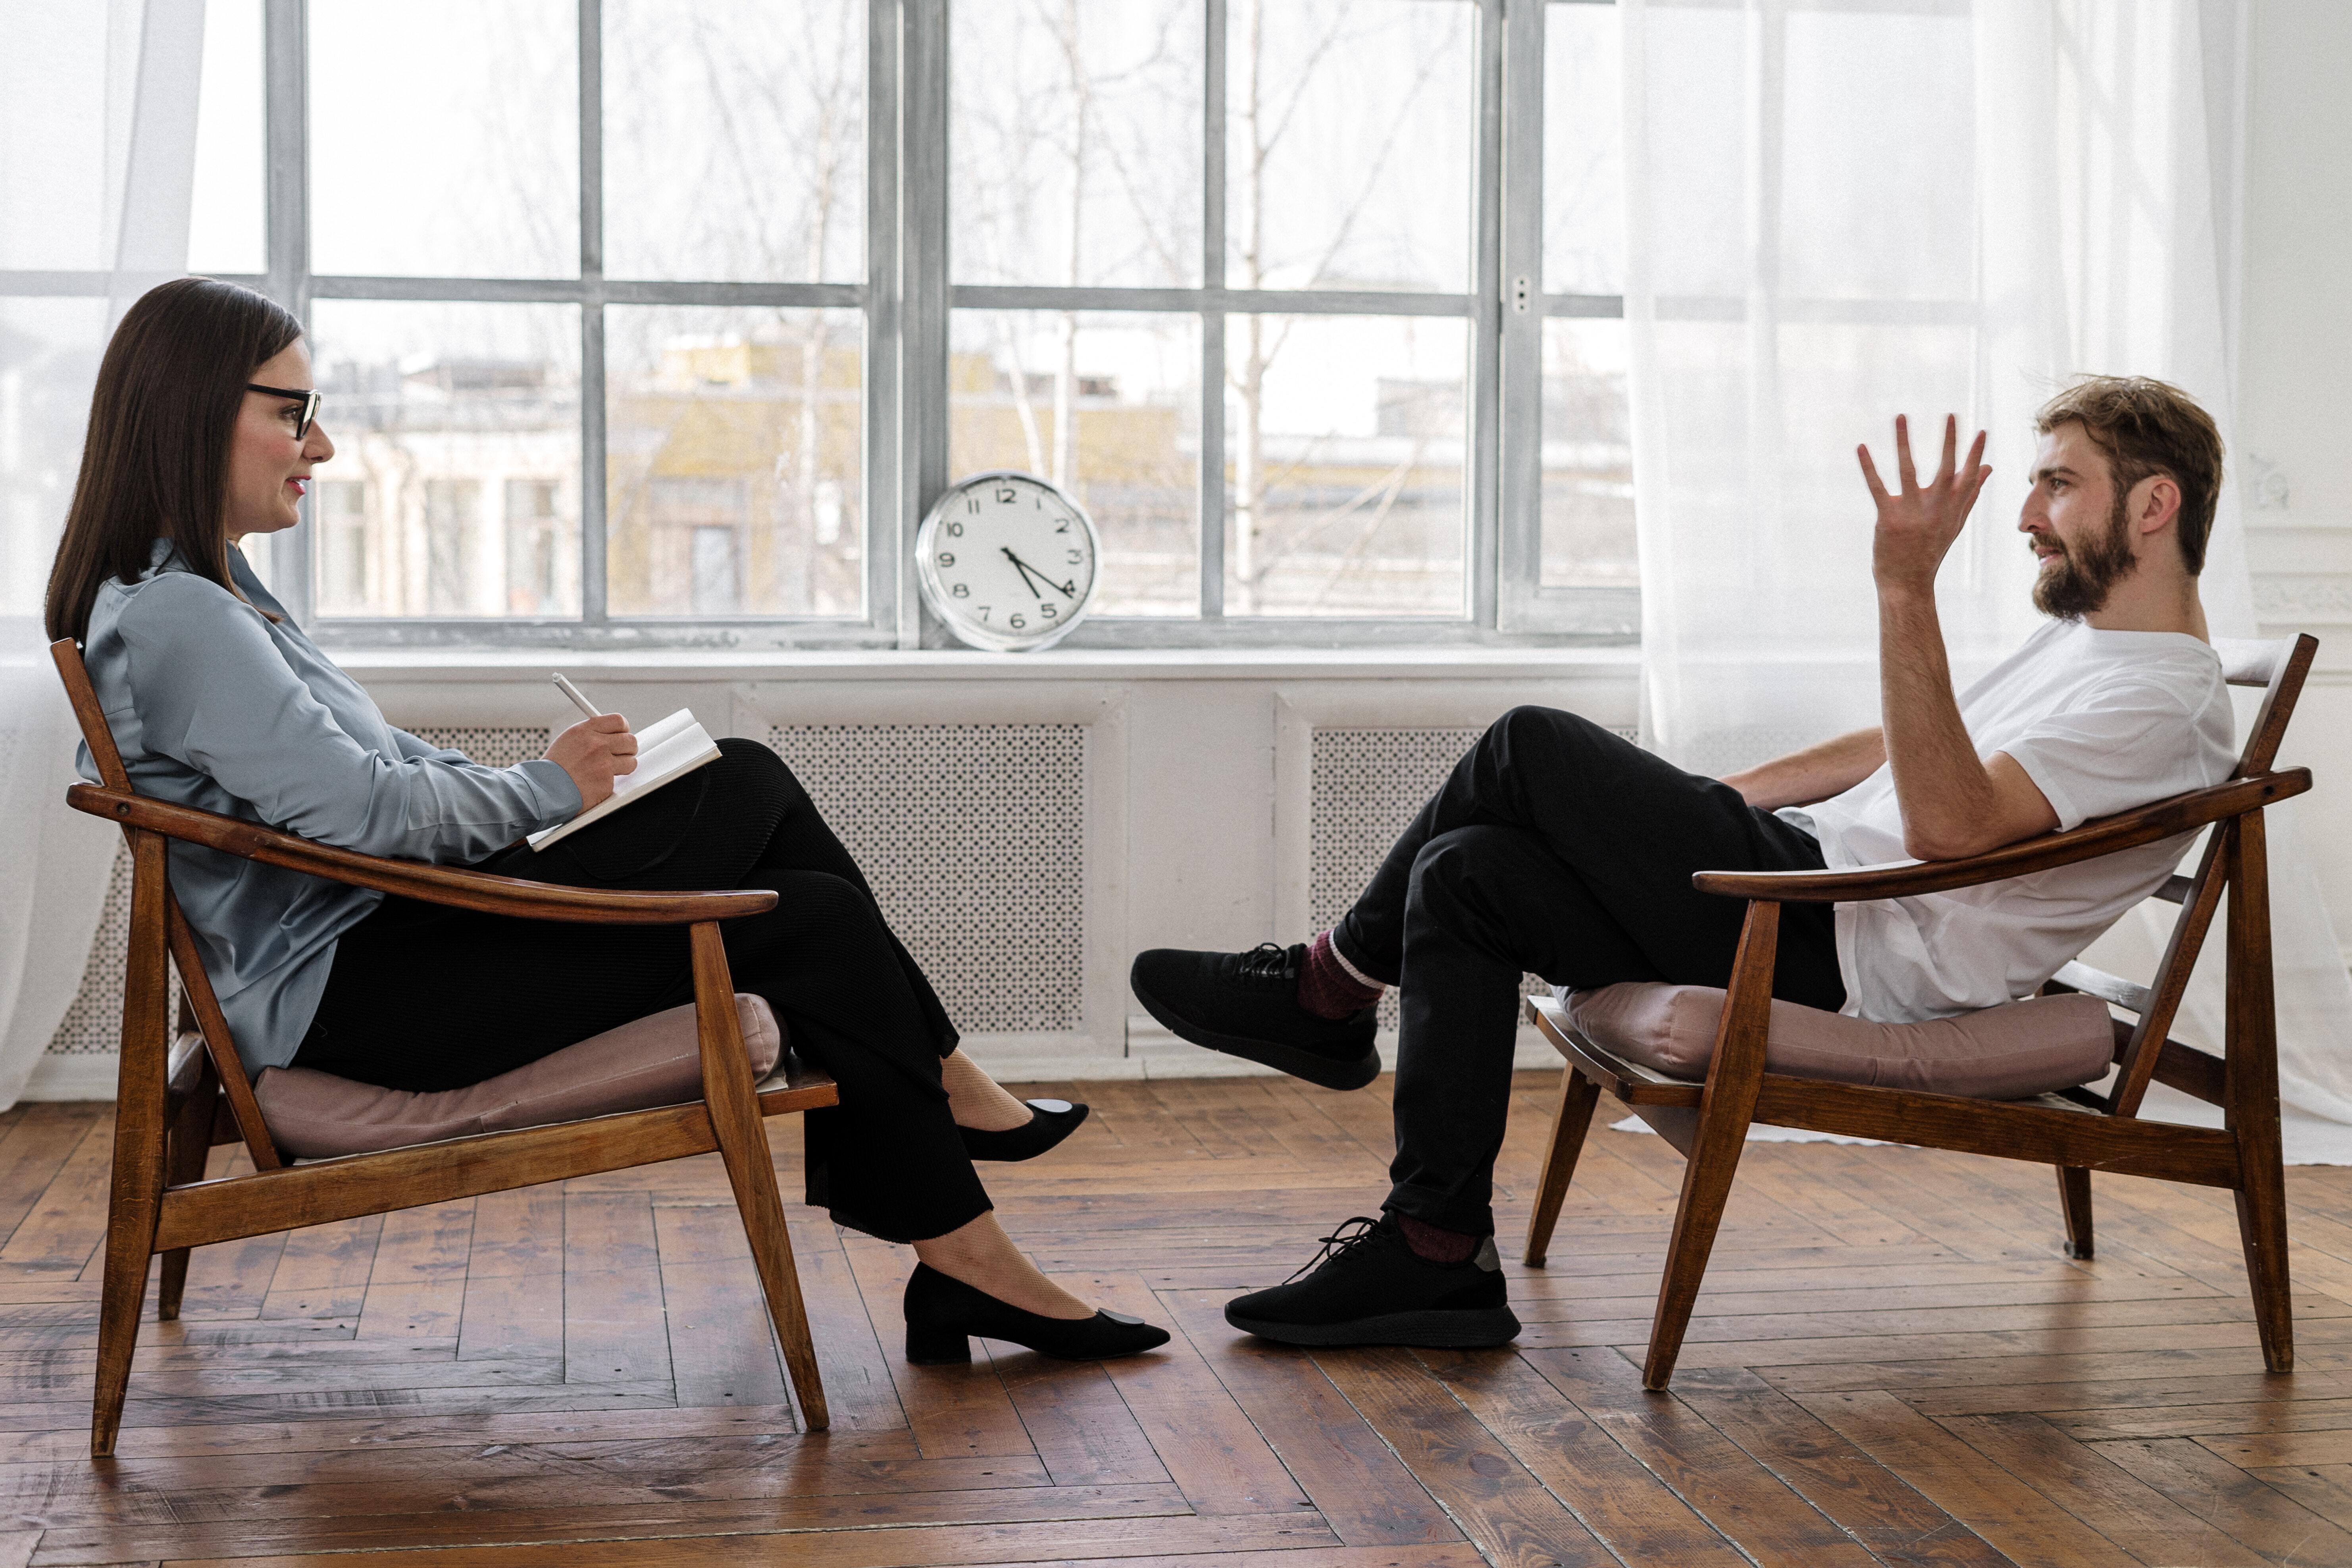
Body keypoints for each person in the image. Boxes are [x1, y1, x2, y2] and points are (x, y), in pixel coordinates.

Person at [45, 277, 1167, 1366]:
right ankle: (955, 1155)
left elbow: (368, 769)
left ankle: (963, 1229)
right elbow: (363, 813)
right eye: (295, 416)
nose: (321, 449)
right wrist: (549, 791)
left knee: (769, 826)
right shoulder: (186, 615)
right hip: (361, 997)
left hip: (383, 953)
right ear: (196, 412)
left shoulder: (211, 592)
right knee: (773, 841)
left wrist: (553, 789)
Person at [1133, 378, 2235, 1351]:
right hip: (1810, 885)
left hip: (1844, 946)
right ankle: (1435, 1249)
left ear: (2153, 504)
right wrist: (1708, 806)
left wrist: (1904, 590)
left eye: (2059, 485)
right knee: (1466, 869)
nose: (2029, 516)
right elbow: (1903, 745)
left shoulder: (2159, 703)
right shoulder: (2092, 647)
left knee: (1529, 742)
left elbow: (1949, 828)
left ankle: (1328, 992)